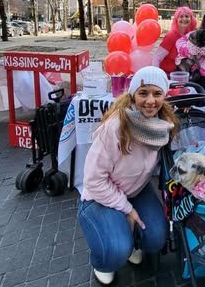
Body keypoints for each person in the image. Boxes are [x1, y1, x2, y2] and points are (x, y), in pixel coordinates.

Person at [77, 67, 179, 285]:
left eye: (157, 93)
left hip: (136, 190)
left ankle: (130, 237)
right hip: (100, 196)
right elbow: (94, 180)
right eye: (143, 93)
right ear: (133, 94)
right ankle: (102, 259)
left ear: (164, 95)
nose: (150, 101)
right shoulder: (116, 126)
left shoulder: (163, 125)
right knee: (115, 249)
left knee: (157, 238)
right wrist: (127, 209)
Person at [152, 6, 197, 76]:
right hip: (168, 75)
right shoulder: (171, 36)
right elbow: (157, 57)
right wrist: (156, 76)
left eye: (187, 16)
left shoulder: (191, 35)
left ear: (191, 19)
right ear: (176, 19)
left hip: (184, 75)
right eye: (181, 16)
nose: (184, 19)